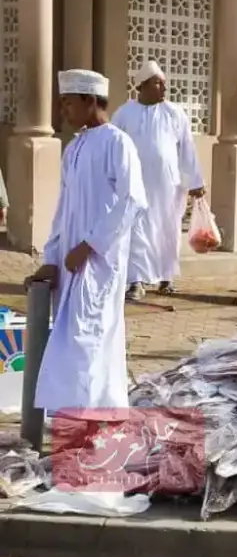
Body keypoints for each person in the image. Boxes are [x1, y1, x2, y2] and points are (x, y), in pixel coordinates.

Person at [25, 69, 147, 413]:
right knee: (69, 342)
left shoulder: (117, 143)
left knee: (88, 341)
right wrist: (51, 256)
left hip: (98, 265)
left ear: (90, 101)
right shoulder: (74, 148)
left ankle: (89, 421)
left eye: (68, 103)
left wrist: (90, 244)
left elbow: (133, 200)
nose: (63, 110)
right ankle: (73, 418)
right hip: (69, 262)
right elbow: (63, 210)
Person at [112, 60, 205, 300]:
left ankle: (166, 278)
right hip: (135, 184)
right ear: (141, 87)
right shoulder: (124, 113)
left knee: (168, 229)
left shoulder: (175, 113)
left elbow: (187, 148)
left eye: (164, 83)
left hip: (169, 186)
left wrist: (196, 181)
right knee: (137, 230)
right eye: (157, 83)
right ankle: (136, 281)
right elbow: (113, 147)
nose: (164, 88)